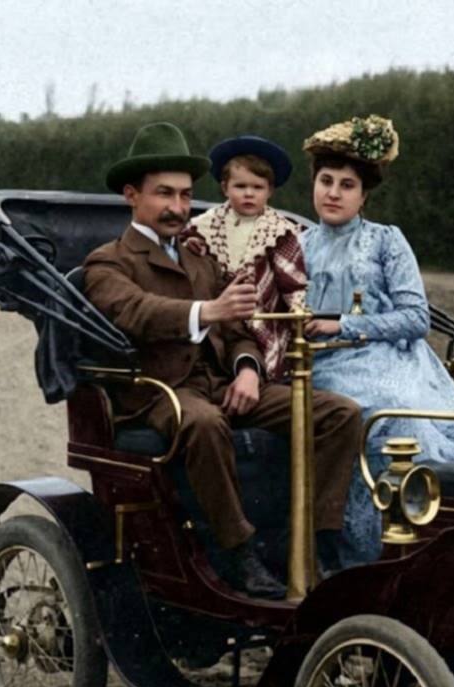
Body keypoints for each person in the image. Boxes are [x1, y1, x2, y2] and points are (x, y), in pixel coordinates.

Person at [82, 122, 361, 597]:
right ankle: (239, 551)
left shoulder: (199, 260)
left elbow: (236, 331)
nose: (177, 207)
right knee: (205, 423)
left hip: (220, 384)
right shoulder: (108, 261)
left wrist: (248, 370)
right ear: (132, 195)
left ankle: (315, 541)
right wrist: (207, 311)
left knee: (340, 414)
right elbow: (136, 311)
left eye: (185, 195)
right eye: (163, 194)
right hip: (156, 392)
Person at [300, 115, 454, 567]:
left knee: (408, 417)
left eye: (347, 185)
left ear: (364, 195)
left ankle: (434, 545)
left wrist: (342, 325)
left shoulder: (386, 241)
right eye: (326, 181)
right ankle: (368, 557)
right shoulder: (296, 246)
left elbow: (416, 318)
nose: (333, 193)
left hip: (391, 360)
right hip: (322, 367)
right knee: (374, 419)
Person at [182, 136, 308, 380]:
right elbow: (181, 253)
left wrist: (298, 314)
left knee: (262, 364)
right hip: (216, 317)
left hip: (260, 318)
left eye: (257, 188)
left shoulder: (279, 231)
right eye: (240, 186)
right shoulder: (205, 224)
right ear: (225, 188)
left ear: (270, 191)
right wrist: (191, 247)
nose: (249, 194)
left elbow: (293, 283)